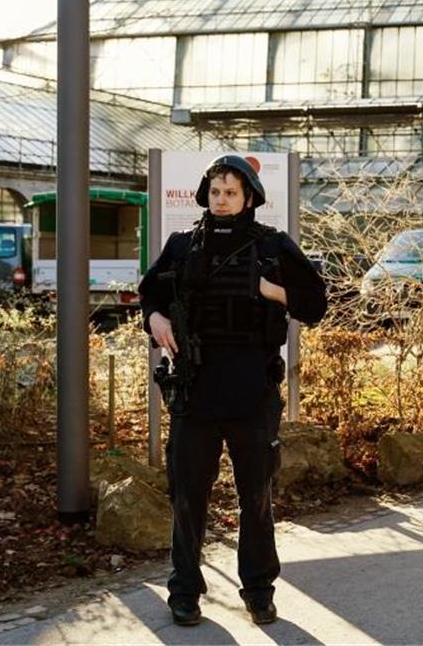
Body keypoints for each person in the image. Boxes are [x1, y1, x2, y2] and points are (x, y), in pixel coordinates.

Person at [138, 155, 327, 627]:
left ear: (249, 198)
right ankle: (184, 591)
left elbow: (317, 303)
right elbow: (150, 296)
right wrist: (156, 318)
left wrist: (273, 291)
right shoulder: (182, 247)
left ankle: (259, 590)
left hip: (252, 395)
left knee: (256, 497)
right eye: (216, 191)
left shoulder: (271, 248)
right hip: (194, 395)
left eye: (231, 193)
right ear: (207, 194)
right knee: (187, 499)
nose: (222, 200)